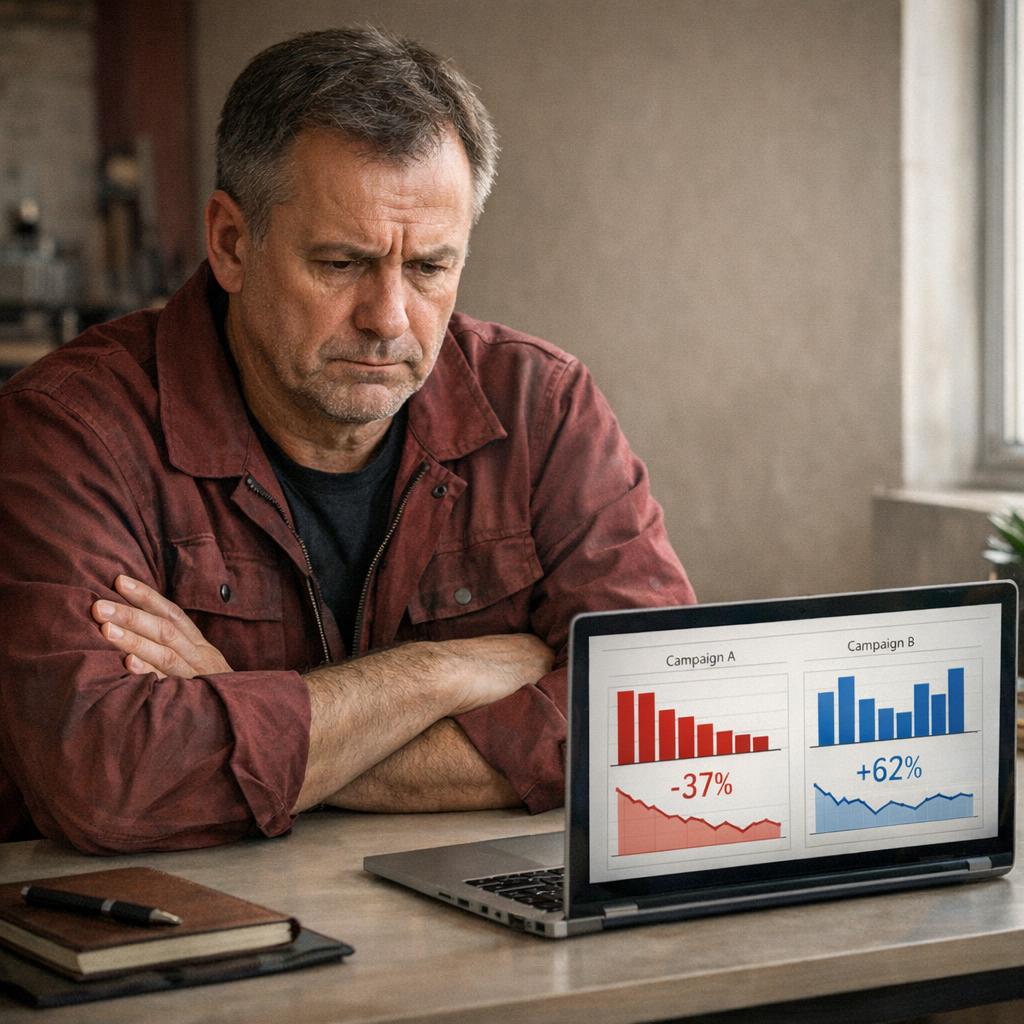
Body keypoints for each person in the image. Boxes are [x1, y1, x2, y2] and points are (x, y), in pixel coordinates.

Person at [0, 27, 695, 853]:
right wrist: (440, 675)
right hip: (171, 919)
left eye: (430, 268)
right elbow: (108, 782)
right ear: (230, 243)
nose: (389, 319)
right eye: (340, 264)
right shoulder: (70, 431)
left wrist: (247, 710)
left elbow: (662, 717)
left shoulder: (542, 407)